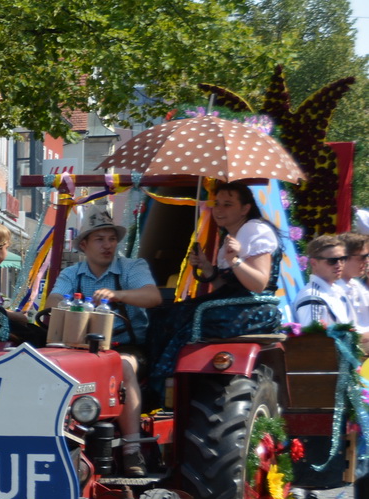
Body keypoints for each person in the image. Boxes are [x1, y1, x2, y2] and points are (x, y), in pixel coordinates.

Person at [51, 203, 162, 476]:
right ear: (84, 245)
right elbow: (53, 301)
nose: (108, 245)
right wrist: (69, 304)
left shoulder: (131, 267)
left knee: (121, 365)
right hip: (80, 351)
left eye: (112, 239)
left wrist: (118, 295)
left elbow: (153, 297)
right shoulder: (71, 274)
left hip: (128, 348)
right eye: (100, 239)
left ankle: (132, 449)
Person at [145, 181, 285, 390]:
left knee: (182, 318)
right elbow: (226, 287)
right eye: (217, 203)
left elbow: (258, 284)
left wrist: (234, 260)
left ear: (245, 208)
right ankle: (157, 381)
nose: (219, 210)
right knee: (163, 314)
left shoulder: (255, 229)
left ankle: (166, 382)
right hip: (235, 304)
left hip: (256, 309)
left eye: (228, 204)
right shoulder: (231, 235)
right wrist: (206, 267)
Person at [292, 235, 358, 328]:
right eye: (332, 261)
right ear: (314, 263)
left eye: (343, 259)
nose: (339, 264)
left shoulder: (339, 291)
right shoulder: (312, 297)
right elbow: (312, 335)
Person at [340, 232, 369, 326]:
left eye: (367, 256)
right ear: (343, 258)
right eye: (362, 257)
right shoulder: (332, 290)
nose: (367, 261)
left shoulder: (356, 285)